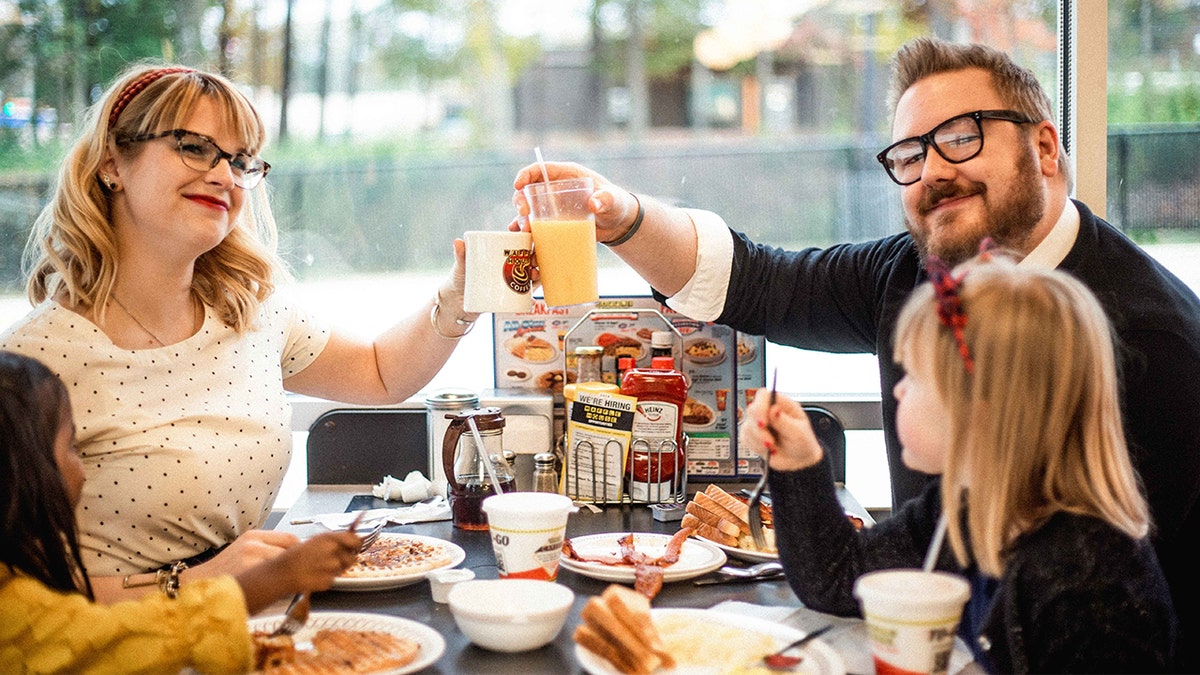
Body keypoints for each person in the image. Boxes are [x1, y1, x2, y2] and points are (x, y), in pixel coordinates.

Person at [511, 37, 1200, 667]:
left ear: (1045, 148)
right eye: (909, 155)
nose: (932, 171)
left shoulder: (1154, 345)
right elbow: (759, 280)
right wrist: (621, 215)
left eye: (961, 137)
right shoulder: (915, 271)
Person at [0, 64, 480, 602]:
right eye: (195, 147)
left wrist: (460, 298)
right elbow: (15, 598)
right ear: (113, 163)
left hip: (244, 624)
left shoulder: (251, 311)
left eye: (240, 160)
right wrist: (190, 584)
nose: (225, 176)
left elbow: (379, 373)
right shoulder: (34, 360)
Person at [739, 252, 1176, 673]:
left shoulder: (1089, 591)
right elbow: (839, 578)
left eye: (913, 376)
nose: (898, 392)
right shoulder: (967, 511)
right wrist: (799, 461)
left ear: (980, 413)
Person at [0, 350, 363, 674]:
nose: (84, 470)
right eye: (73, 448)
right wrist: (279, 576)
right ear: (19, 472)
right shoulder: (17, 611)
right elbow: (123, 639)